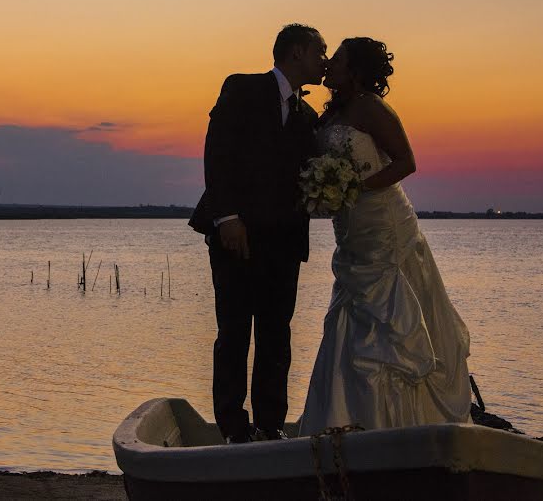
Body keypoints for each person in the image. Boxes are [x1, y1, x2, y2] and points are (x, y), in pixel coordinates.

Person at [298, 38, 472, 434]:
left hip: (384, 228)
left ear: (355, 69)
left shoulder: (372, 108)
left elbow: (406, 162)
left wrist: (355, 188)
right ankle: (344, 417)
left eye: (337, 59)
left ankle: (400, 424)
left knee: (389, 324)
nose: (328, 65)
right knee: (349, 315)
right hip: (351, 232)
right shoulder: (330, 113)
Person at [189, 24, 327, 442]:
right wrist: (227, 217)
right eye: (321, 52)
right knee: (233, 333)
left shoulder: (308, 117)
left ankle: (270, 426)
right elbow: (218, 152)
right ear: (298, 52)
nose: (325, 60)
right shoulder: (243, 88)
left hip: (283, 243)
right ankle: (232, 427)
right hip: (236, 236)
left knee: (276, 335)